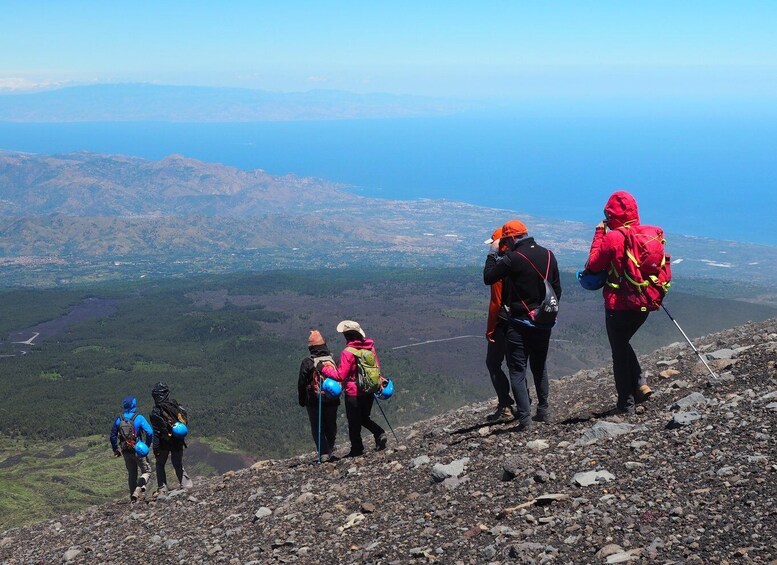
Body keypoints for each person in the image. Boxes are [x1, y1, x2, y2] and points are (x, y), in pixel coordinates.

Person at [483, 219, 561, 431]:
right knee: (539, 366)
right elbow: (556, 289)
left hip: (519, 322)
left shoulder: (512, 259)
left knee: (517, 370)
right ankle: (544, 411)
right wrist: (543, 313)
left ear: (510, 238)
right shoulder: (549, 254)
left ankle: (525, 419)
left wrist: (492, 253)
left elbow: (488, 277)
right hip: (544, 322)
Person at [585, 190, 654, 415]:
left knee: (619, 351)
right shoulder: (647, 234)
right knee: (623, 343)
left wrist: (599, 233)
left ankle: (626, 403)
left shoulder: (613, 237)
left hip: (619, 305)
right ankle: (641, 384)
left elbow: (594, 265)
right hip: (645, 302)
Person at [320, 320, 387, 457]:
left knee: (354, 422)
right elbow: (377, 367)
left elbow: (340, 375)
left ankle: (357, 449)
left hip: (354, 392)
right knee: (363, 417)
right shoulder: (370, 347)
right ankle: (379, 433)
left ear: (347, 336)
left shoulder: (348, 352)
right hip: (369, 389)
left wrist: (324, 369)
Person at [483, 227, 515, 422]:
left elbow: (496, 301)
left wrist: (490, 328)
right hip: (521, 320)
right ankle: (524, 404)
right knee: (515, 363)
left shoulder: (500, 266)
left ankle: (505, 405)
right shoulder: (519, 260)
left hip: (503, 322)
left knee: (493, 363)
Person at [297, 329, 340, 461]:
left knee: (317, 426)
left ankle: (323, 452)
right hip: (332, 399)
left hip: (314, 400)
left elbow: (302, 383)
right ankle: (330, 447)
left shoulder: (307, 362)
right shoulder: (334, 359)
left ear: (311, 347)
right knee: (331, 424)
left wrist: (302, 400)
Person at [150, 382, 192, 493]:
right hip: (177, 441)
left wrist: (155, 448)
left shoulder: (155, 412)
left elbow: (156, 432)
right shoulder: (176, 406)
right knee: (177, 463)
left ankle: (163, 488)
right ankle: (186, 484)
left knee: (160, 464)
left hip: (164, 443)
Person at [109, 395, 153, 502]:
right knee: (147, 471)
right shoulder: (138, 418)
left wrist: (116, 450)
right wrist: (146, 446)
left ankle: (133, 499)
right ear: (134, 405)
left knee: (132, 474)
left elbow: (113, 436)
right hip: (137, 449)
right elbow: (150, 432)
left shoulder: (119, 419)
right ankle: (138, 490)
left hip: (125, 450)